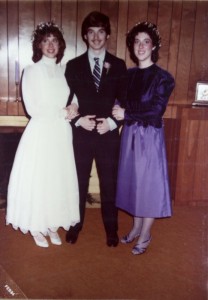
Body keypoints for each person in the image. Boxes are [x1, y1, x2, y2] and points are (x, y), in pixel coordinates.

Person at [6, 21, 80, 248]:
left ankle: (51, 223)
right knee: (40, 178)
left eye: (54, 41)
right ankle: (37, 225)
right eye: (46, 41)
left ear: (60, 45)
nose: (50, 45)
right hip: (41, 132)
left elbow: (74, 95)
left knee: (57, 179)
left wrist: (74, 107)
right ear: (39, 45)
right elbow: (33, 109)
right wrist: (61, 112)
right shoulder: (31, 71)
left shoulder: (63, 70)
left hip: (61, 133)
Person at [65, 11, 127, 247]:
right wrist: (78, 120)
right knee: (78, 181)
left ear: (108, 35)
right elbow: (66, 101)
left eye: (101, 31)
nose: (96, 37)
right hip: (81, 133)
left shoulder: (119, 65)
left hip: (108, 134)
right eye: (91, 32)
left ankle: (111, 229)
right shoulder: (73, 66)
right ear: (85, 36)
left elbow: (125, 102)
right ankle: (75, 224)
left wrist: (112, 123)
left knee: (109, 182)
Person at [112, 21, 175, 255]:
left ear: (153, 46)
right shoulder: (127, 76)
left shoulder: (163, 78)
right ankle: (137, 226)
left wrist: (127, 112)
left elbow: (155, 110)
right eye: (137, 42)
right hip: (130, 135)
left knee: (147, 186)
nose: (141, 46)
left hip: (149, 137)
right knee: (133, 183)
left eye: (145, 41)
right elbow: (121, 102)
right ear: (132, 46)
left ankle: (146, 234)